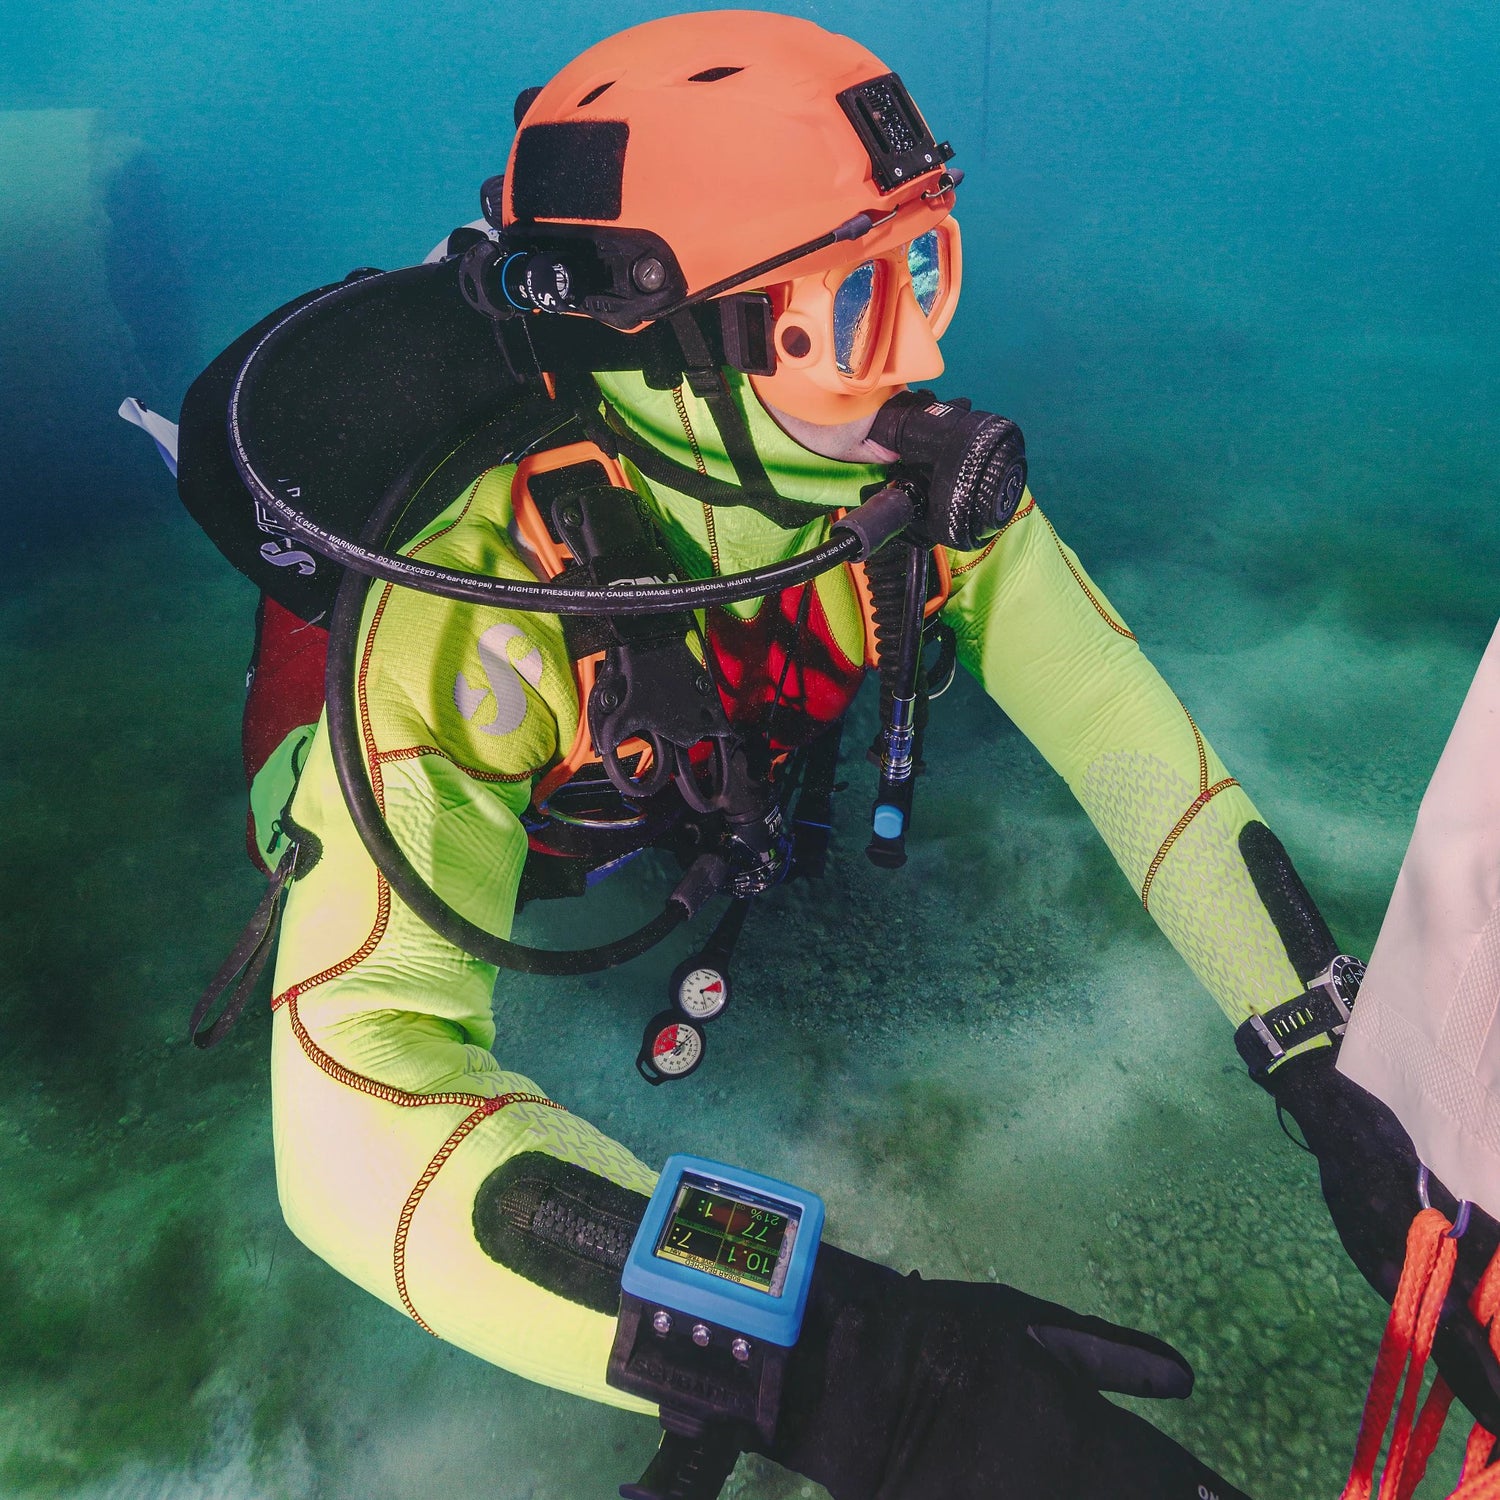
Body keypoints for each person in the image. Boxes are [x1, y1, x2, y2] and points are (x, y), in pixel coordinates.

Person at [157, 10, 1487, 1497]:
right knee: (308, 795)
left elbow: (1129, 743)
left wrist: (1335, 1069)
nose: (925, 355)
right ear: (688, 345)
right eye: (859, 303)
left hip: (684, 758)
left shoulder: (912, 494)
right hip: (532, 796)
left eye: (928, 271)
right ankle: (309, 650)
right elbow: (351, 1127)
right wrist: (839, 1362)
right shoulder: (474, 605)